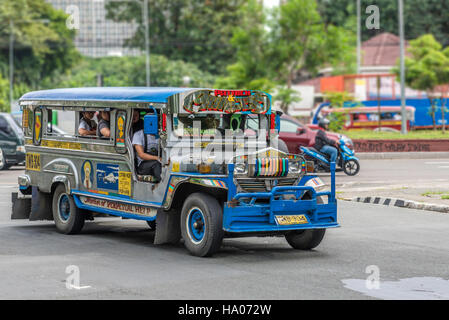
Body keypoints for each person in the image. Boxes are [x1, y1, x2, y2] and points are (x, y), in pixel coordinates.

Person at [132, 115, 162, 182]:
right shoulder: (138, 135)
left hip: (158, 162)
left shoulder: (161, 135)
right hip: (142, 165)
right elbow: (141, 155)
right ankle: (162, 182)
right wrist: (158, 158)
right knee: (156, 164)